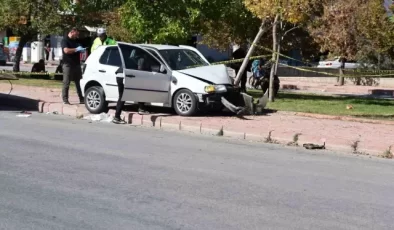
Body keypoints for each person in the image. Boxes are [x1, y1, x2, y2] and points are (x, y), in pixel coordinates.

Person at [61, 27, 85, 105]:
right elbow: (66, 50)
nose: (77, 35)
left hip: (76, 64)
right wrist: (76, 49)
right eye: (76, 33)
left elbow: (78, 49)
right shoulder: (65, 40)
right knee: (66, 82)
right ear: (72, 32)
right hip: (68, 64)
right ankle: (65, 100)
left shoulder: (76, 41)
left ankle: (82, 99)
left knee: (79, 83)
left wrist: (82, 50)